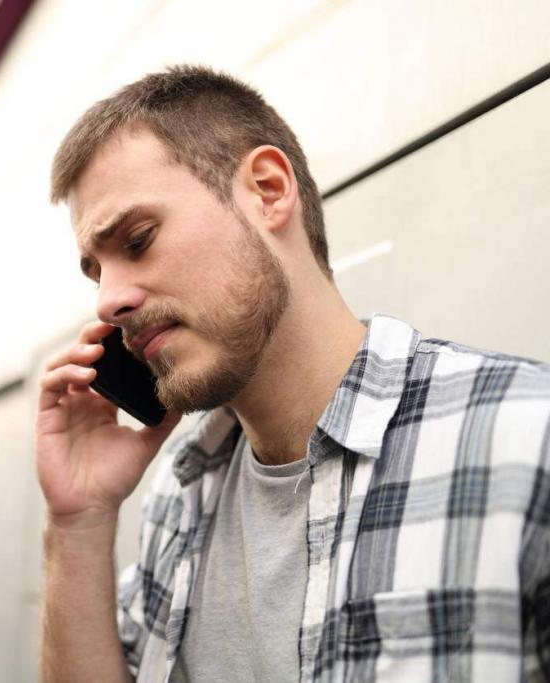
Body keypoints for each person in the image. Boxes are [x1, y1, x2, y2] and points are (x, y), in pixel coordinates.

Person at [35, 64, 550, 682]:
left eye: (138, 240)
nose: (107, 301)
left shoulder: (524, 442)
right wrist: (79, 524)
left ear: (269, 191)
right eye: (97, 272)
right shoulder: (180, 497)